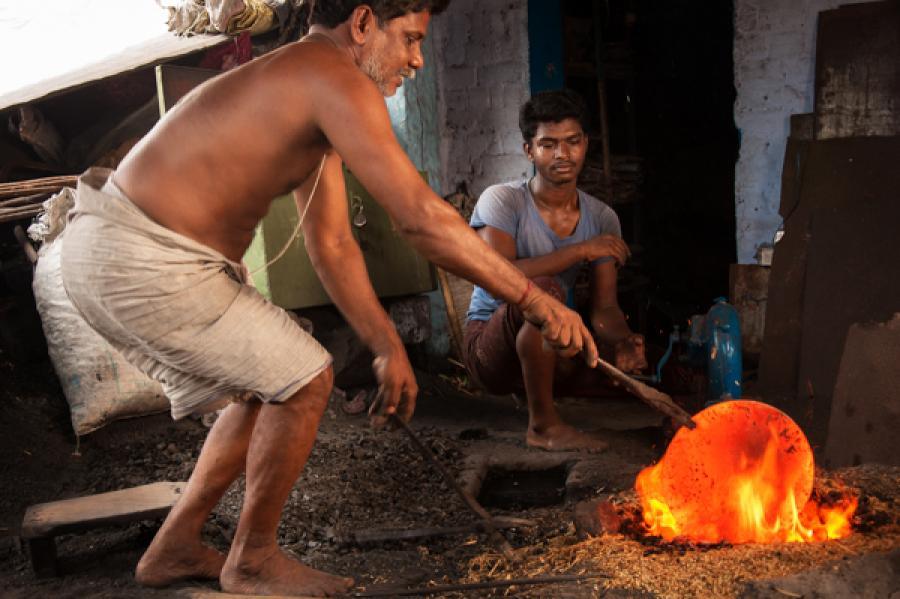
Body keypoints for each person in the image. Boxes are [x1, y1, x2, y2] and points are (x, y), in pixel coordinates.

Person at [60, 2, 601, 596]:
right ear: (364, 24)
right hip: (142, 255)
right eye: (411, 40)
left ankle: (177, 546)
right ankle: (254, 560)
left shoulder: (309, 83)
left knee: (259, 385)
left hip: (109, 252)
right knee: (307, 376)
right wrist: (536, 301)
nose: (418, 60)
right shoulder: (334, 76)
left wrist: (387, 344)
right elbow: (420, 220)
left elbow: (334, 243)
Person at [462, 89, 648, 453]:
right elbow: (502, 282)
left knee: (622, 355)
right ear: (529, 150)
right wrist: (579, 249)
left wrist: (622, 340)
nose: (563, 155)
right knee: (543, 291)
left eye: (572, 142)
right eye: (548, 145)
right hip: (490, 348)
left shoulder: (601, 217)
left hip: (549, 347)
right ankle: (543, 426)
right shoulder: (502, 200)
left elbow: (605, 309)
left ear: (585, 144)